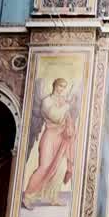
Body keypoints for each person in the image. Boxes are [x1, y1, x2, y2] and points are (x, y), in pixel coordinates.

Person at [22, 78, 76, 209]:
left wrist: (70, 128)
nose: (61, 89)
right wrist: (67, 106)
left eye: (64, 87)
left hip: (62, 139)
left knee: (61, 168)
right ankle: (28, 196)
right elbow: (55, 115)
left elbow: (68, 119)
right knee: (44, 167)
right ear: (54, 86)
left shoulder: (63, 101)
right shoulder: (47, 101)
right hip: (50, 137)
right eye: (59, 86)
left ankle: (53, 197)